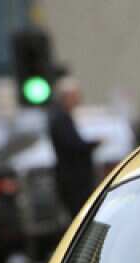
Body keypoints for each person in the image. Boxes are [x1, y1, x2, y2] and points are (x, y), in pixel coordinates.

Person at [47, 76, 100, 218]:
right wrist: (93, 144)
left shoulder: (64, 117)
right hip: (74, 179)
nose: (78, 99)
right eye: (75, 95)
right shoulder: (60, 119)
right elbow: (72, 145)